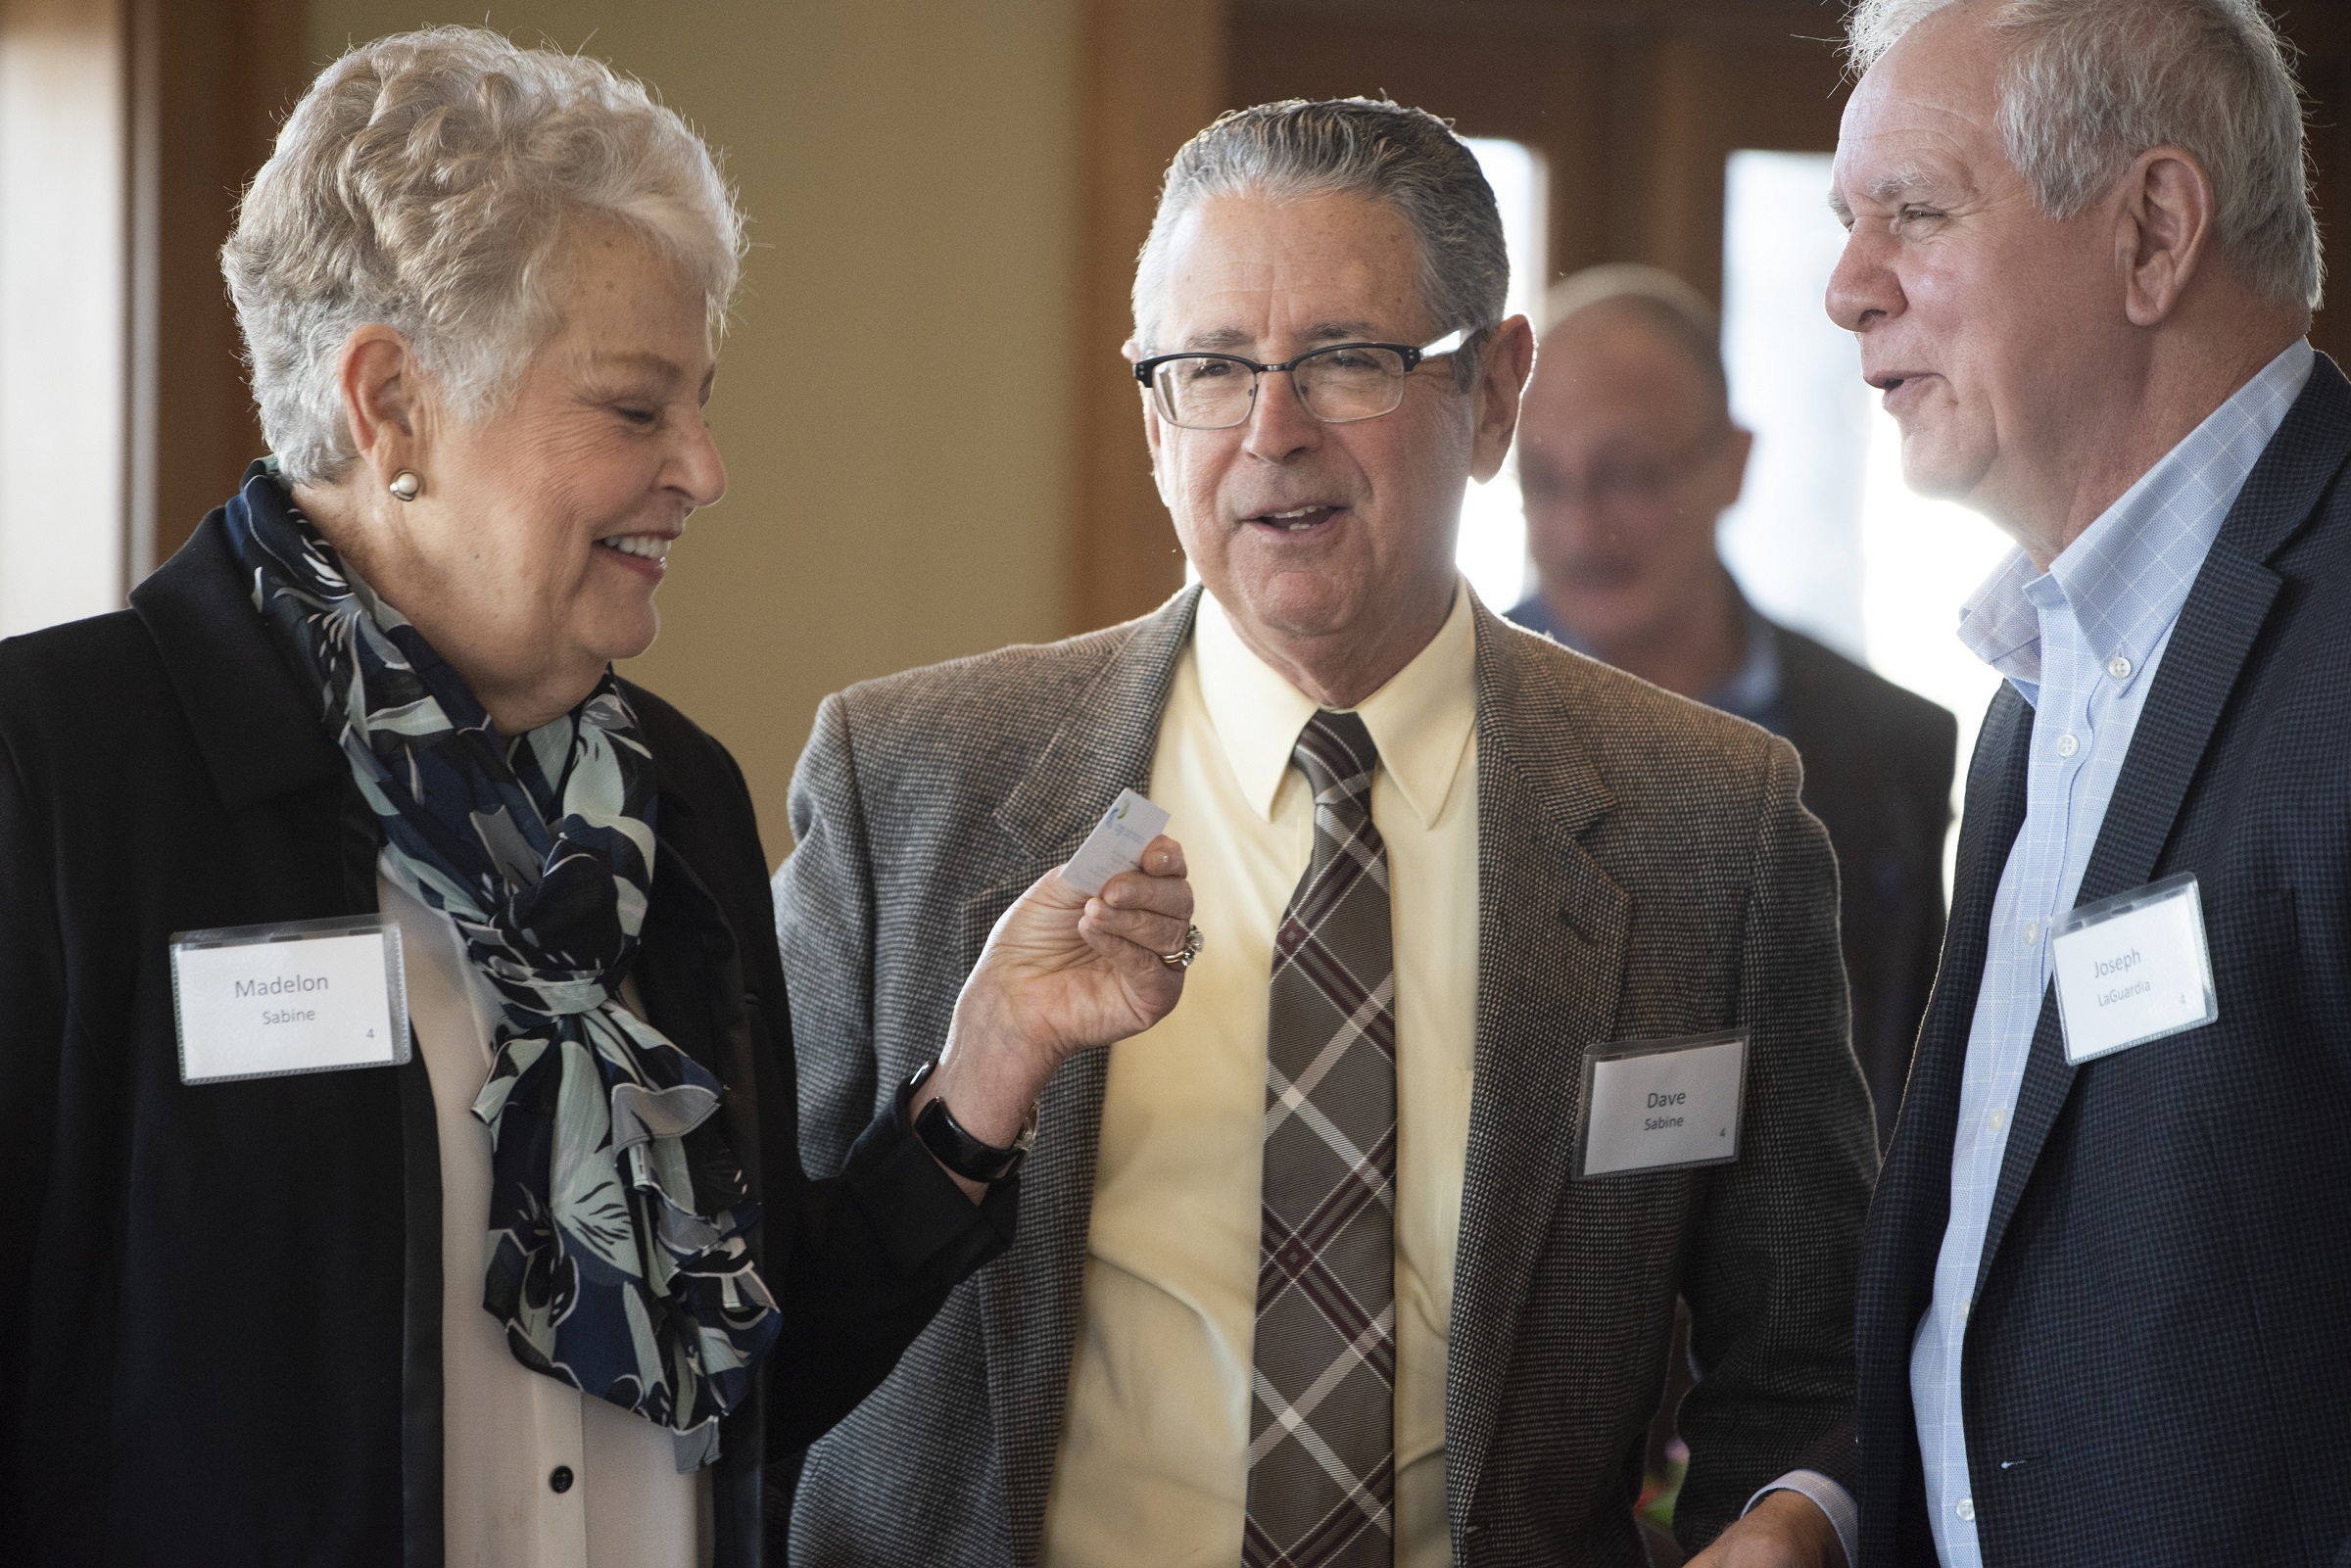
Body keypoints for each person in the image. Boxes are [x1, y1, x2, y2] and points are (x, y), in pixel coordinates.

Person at [0, 28, 1194, 1568]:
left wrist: (984, 1071)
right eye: (637, 410)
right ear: (392, 403)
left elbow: (742, 1378)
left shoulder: (672, 798)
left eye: (699, 404)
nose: (705, 467)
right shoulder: (57, 774)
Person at [778, 98, 1877, 1568]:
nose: (1272, 433)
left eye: (1347, 360)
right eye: (1212, 368)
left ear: (1494, 394)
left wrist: (1788, 1524)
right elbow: (740, 1321)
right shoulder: (910, 781)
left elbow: (1809, 1355)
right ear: (1154, 413)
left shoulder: (1710, 825)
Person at [1830, 1, 2351, 1562]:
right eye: (1848, 224)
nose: (1848, 288)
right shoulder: (2039, 679)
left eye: (1914, 213)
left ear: (2152, 234)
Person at [1508, 265, 1956, 1151]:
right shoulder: (1458, 721)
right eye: (1543, 480)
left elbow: (1904, 1081)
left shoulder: (1890, 742)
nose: (1579, 528)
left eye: (1626, 475)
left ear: (1734, 463)